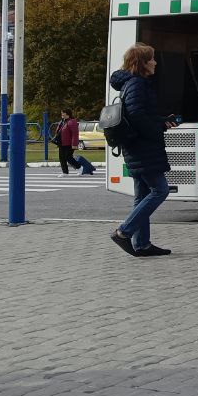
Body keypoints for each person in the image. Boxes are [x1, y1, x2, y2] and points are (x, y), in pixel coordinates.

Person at [109, 43, 177, 257]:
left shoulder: (132, 84)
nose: (155, 62)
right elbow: (137, 116)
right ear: (142, 63)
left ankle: (142, 244)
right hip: (143, 148)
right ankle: (123, 232)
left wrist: (162, 121)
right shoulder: (137, 84)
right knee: (160, 190)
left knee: (143, 195)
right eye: (152, 59)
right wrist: (157, 129)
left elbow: (138, 114)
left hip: (138, 147)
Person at [54, 109, 95, 177]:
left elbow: (75, 134)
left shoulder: (72, 122)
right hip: (61, 143)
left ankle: (80, 168)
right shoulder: (62, 121)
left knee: (68, 157)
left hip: (69, 144)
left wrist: (74, 144)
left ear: (67, 114)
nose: (61, 114)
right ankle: (65, 172)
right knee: (62, 158)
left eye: (63, 113)